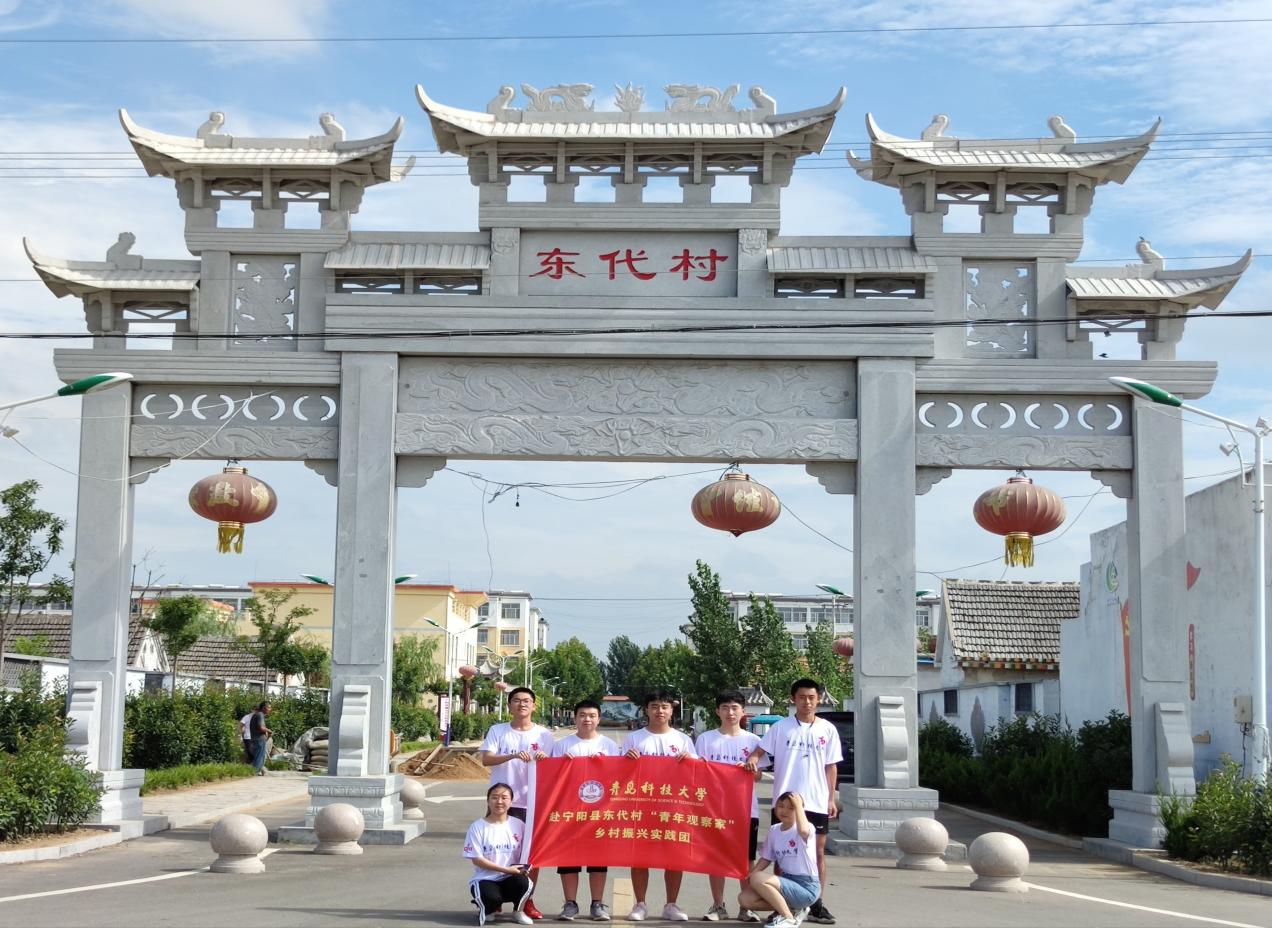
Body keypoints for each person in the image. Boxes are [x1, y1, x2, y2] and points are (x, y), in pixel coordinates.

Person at [744, 680, 842, 925]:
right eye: (801, 697)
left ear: (819, 699)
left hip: (816, 801)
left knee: (817, 852)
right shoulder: (781, 727)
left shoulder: (828, 729)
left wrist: (831, 798)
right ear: (793, 699)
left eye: (811, 697)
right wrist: (752, 759)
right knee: (781, 854)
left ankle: (816, 904)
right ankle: (784, 906)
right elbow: (758, 752)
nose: (807, 702)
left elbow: (831, 766)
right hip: (785, 802)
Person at [621, 690, 697, 922]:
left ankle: (671, 904)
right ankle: (640, 904)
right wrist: (626, 761)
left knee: (675, 855)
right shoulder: (634, 739)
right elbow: (618, 774)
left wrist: (690, 761)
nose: (659, 711)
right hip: (640, 807)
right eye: (654, 706)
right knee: (639, 856)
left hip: (673, 807)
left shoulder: (683, 740)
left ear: (672, 710)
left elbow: (697, 775)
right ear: (646, 710)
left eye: (664, 706)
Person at [481, 686, 555, 920]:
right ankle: (495, 899)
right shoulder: (498, 730)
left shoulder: (544, 735)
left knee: (531, 856)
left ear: (534, 706)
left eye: (526, 701)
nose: (521, 704)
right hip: (502, 803)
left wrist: (545, 760)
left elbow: (555, 768)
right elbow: (486, 759)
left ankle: (526, 900)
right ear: (509, 706)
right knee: (497, 851)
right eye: (516, 700)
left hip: (532, 803)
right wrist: (513, 755)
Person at [695, 690, 766, 922]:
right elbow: (696, 774)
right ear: (717, 711)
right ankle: (718, 905)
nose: (730, 712)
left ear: (743, 711)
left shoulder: (754, 741)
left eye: (735, 708)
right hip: (714, 809)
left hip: (745, 810)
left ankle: (746, 906)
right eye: (725, 708)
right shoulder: (706, 739)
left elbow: (759, 777)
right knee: (715, 857)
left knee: (745, 859)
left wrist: (750, 770)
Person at [550, 699, 623, 921]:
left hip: (599, 813)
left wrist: (604, 765)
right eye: (582, 715)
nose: (587, 719)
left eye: (592, 715)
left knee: (597, 859)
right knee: (568, 859)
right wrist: (562, 765)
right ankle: (570, 904)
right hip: (569, 812)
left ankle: (597, 904)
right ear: (575, 718)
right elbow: (551, 778)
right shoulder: (563, 745)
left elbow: (618, 780)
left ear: (598, 719)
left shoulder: (609, 746)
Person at [738, 792, 818, 928]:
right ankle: (794, 909)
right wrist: (752, 874)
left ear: (799, 810)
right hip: (787, 881)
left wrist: (799, 805)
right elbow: (766, 857)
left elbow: (804, 832)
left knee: (758, 878)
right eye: (781, 806)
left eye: (791, 808)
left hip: (806, 886)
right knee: (744, 899)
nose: (784, 811)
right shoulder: (774, 830)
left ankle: (788, 918)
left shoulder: (806, 828)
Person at [464, 782, 534, 926]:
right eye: (495, 797)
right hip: (486, 879)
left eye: (504, 797)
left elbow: (528, 850)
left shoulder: (519, 824)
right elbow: (477, 860)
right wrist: (506, 870)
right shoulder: (477, 827)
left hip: (510, 877)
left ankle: (518, 911)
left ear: (511, 802)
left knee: (525, 883)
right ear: (488, 801)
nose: (499, 801)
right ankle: (489, 908)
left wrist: (527, 866)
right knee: (492, 898)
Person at [248, 701, 272, 775]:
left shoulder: (257, 715)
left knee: (257, 756)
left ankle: (254, 771)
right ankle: (254, 772)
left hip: (255, 738)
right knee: (259, 757)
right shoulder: (260, 715)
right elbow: (261, 728)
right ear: (264, 708)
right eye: (269, 707)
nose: (270, 709)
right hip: (259, 739)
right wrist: (269, 731)